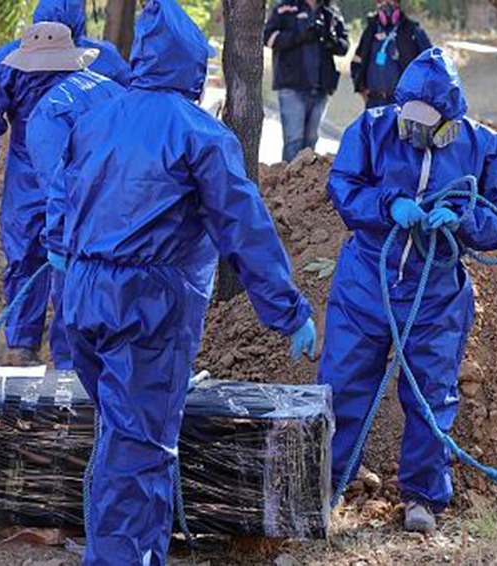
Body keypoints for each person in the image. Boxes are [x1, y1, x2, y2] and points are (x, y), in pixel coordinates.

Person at [55, 0, 317, 561]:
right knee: (139, 448)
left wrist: (67, 255)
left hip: (81, 295)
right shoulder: (200, 134)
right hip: (147, 306)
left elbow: (64, 199)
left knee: (121, 439)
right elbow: (244, 230)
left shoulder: (95, 116)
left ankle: (126, 552)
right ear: (194, 67)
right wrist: (288, 310)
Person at [318, 48, 497, 533]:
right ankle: (327, 482)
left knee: (430, 393)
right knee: (343, 382)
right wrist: (388, 205)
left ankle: (422, 497)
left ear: (450, 119)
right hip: (368, 281)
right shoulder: (372, 130)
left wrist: (465, 220)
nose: (414, 134)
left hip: (436, 293)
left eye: (426, 126)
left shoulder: (485, 148)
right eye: (408, 122)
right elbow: (344, 184)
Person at [0, 0, 130, 366]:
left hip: (79, 169)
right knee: (27, 255)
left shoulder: (102, 58)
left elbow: (132, 105)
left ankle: (69, 355)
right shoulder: (9, 60)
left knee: (72, 261)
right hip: (34, 171)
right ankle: (23, 345)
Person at [8, 22, 126, 369]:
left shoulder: (47, 114)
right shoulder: (110, 88)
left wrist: (58, 242)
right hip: (139, 221)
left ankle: (70, 398)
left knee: (74, 325)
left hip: (88, 231)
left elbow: (62, 186)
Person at [263, 0, 349, 162]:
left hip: (321, 88)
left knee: (311, 142)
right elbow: (268, 38)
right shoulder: (285, 8)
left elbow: (344, 46)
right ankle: (288, 182)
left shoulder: (330, 12)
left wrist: (331, 40)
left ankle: (304, 183)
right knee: (293, 141)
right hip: (292, 87)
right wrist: (299, 36)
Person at [350, 0, 432, 109]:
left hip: (403, 104)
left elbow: (431, 64)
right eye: (381, 1)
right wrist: (361, 88)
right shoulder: (370, 31)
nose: (386, 5)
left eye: (390, 1)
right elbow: (356, 62)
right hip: (374, 103)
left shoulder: (413, 31)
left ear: (398, 3)